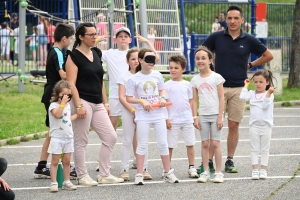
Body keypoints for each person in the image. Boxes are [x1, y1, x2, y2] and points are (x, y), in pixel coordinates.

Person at [202, 5, 273, 173]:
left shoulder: (249, 39)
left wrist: (251, 64)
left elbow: (268, 55)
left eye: (236, 18)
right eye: (229, 18)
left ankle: (229, 160)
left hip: (239, 89)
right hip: (217, 88)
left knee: (233, 125)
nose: (232, 21)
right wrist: (209, 69)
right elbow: (202, 52)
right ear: (225, 20)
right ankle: (210, 161)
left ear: (242, 20)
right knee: (214, 125)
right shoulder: (216, 37)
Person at [65, 22, 124, 186]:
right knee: (81, 140)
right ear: (81, 37)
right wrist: (78, 106)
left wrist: (105, 103)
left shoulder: (97, 53)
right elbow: (71, 84)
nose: (94, 37)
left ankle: (104, 174)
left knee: (111, 136)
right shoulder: (73, 56)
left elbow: (100, 81)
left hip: (98, 103)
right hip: (82, 101)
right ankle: (82, 175)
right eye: (90, 34)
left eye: (95, 34)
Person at [125, 48, 179, 185]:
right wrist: (142, 101)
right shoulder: (133, 79)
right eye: (148, 59)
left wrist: (163, 98)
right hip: (143, 115)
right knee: (142, 144)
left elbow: (162, 89)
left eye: (153, 59)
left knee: (163, 143)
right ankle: (139, 174)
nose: (151, 62)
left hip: (159, 114)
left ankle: (168, 172)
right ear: (140, 60)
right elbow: (129, 98)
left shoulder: (157, 75)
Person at [34, 23, 75, 179]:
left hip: (51, 91)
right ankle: (62, 165)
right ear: (64, 38)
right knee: (57, 130)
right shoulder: (57, 52)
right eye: (70, 38)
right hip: (54, 93)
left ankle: (42, 165)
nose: (70, 41)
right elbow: (63, 75)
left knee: (53, 131)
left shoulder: (54, 50)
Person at [117, 34, 158, 181]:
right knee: (127, 140)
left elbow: (155, 56)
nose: (135, 61)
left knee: (142, 140)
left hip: (144, 111)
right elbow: (122, 97)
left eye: (137, 58)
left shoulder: (147, 74)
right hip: (130, 111)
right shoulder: (124, 76)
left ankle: (144, 169)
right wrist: (133, 110)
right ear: (128, 61)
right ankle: (124, 169)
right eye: (132, 59)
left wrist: (147, 41)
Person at [191, 46, 225, 183]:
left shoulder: (217, 77)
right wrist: (195, 117)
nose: (200, 61)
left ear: (210, 60)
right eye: (198, 58)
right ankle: (205, 172)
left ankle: (218, 172)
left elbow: (222, 97)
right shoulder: (194, 80)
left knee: (215, 143)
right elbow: (194, 100)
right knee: (205, 143)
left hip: (215, 114)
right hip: (203, 115)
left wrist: (220, 116)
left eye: (203, 58)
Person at [165, 55, 197, 178]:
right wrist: (166, 118)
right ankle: (167, 168)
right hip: (172, 120)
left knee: (190, 143)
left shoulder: (188, 85)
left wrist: (194, 117)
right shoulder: (166, 85)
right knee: (170, 145)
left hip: (187, 119)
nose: (173, 70)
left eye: (176, 68)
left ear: (183, 69)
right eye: (171, 67)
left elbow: (191, 101)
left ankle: (192, 167)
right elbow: (165, 104)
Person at [239, 69, 275, 180]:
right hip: (254, 125)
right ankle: (255, 169)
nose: (258, 84)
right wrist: (246, 85)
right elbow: (242, 97)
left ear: (267, 82)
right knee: (254, 148)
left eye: (261, 82)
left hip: (266, 125)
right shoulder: (251, 94)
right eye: (256, 82)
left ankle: (263, 169)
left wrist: (268, 94)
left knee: (265, 149)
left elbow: (265, 106)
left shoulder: (269, 95)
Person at [48, 80, 77, 192]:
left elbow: (66, 119)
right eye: (63, 95)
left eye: (69, 96)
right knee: (55, 161)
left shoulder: (67, 106)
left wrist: (76, 116)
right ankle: (54, 182)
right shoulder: (54, 105)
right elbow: (57, 115)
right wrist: (62, 103)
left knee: (67, 161)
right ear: (57, 94)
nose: (66, 98)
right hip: (57, 138)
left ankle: (67, 181)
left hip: (68, 137)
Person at [101, 27, 132, 130]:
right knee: (112, 124)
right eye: (120, 36)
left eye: (126, 36)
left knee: (133, 125)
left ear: (130, 40)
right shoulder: (109, 53)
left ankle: (135, 146)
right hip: (115, 94)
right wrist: (98, 40)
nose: (123, 38)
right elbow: (90, 51)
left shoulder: (134, 54)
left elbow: (155, 58)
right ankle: (109, 146)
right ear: (115, 40)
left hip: (131, 94)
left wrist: (146, 41)